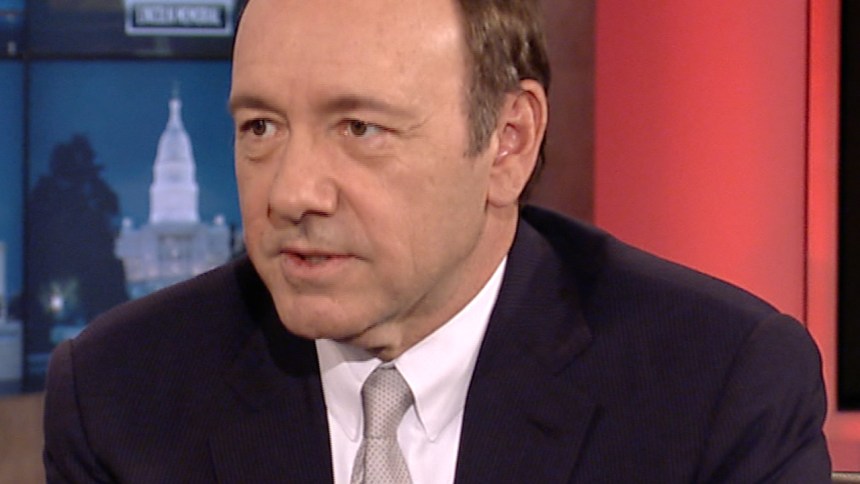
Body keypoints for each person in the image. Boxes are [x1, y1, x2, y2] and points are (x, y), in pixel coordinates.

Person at [43, 0, 830, 482]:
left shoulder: (716, 385)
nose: (290, 192)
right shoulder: (121, 393)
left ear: (508, 142)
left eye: (359, 128)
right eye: (260, 127)